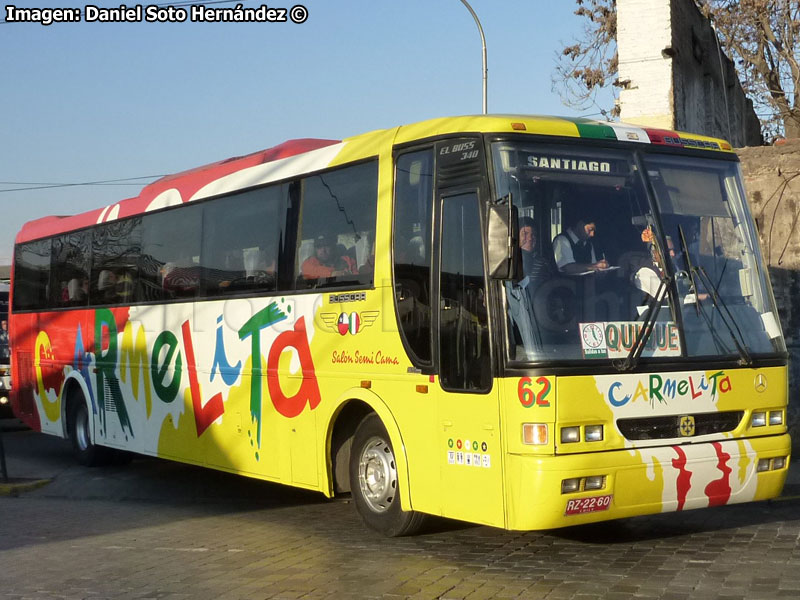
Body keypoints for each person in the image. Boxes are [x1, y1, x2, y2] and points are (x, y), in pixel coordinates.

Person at [518, 216, 552, 284]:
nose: (530, 238)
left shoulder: (543, 264)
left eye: (533, 234)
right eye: (525, 234)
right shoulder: (509, 262)